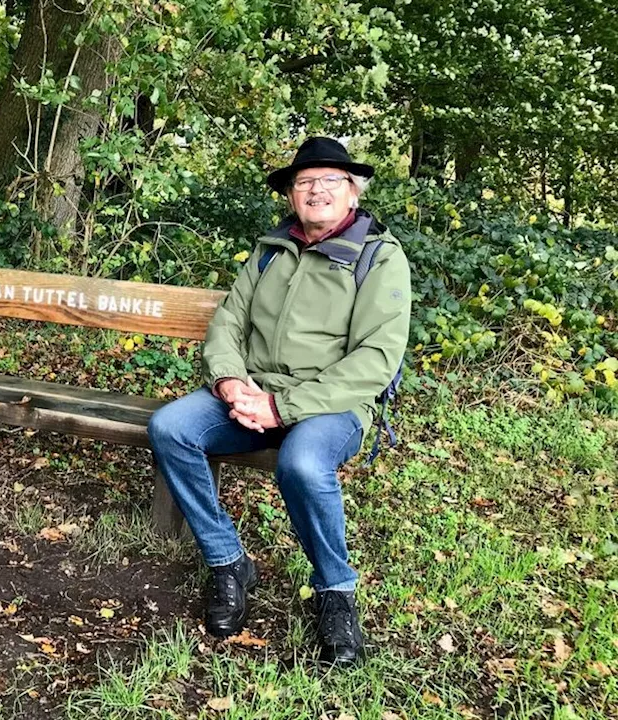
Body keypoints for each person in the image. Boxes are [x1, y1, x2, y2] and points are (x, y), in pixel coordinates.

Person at [148, 137, 411, 666]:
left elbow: (375, 362)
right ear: (291, 195)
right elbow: (229, 321)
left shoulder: (379, 259)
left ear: (353, 194)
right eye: (304, 181)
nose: (316, 190)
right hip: (253, 391)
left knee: (303, 462)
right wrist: (229, 382)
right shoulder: (272, 251)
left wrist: (282, 408)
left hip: (331, 405)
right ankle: (228, 561)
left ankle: (335, 593)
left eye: (330, 181)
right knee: (171, 427)